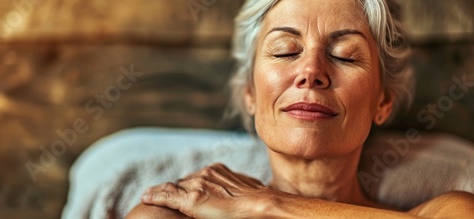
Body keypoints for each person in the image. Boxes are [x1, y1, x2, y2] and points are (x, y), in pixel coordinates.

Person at [127, 0, 474, 218]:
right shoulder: (176, 214)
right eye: (285, 51)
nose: (311, 73)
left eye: (344, 55)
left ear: (383, 101)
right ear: (250, 92)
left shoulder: (451, 211)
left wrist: (268, 205)